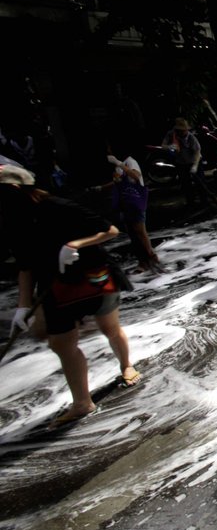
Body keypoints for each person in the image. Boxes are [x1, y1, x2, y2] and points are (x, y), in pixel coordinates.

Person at [1, 164, 141, 428]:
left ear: (15, 189)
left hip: (93, 275)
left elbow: (110, 230)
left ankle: (126, 365)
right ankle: (82, 402)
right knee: (60, 344)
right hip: (53, 285)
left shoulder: (57, 206)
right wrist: (23, 305)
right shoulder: (11, 219)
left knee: (109, 327)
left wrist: (75, 244)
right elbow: (25, 265)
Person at [100, 139, 161, 273]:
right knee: (133, 233)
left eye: (110, 148)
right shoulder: (119, 165)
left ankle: (151, 257)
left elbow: (136, 176)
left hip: (135, 200)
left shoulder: (130, 162)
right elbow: (119, 181)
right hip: (125, 202)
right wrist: (101, 187)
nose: (108, 151)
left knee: (139, 231)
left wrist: (119, 163)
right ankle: (144, 260)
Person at [161, 117, 203, 205]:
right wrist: (169, 147)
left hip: (194, 161)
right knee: (186, 184)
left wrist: (195, 166)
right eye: (180, 130)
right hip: (181, 163)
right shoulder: (171, 134)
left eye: (184, 130)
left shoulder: (191, 138)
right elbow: (163, 145)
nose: (183, 132)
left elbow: (197, 152)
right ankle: (191, 202)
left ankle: (204, 201)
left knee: (200, 183)